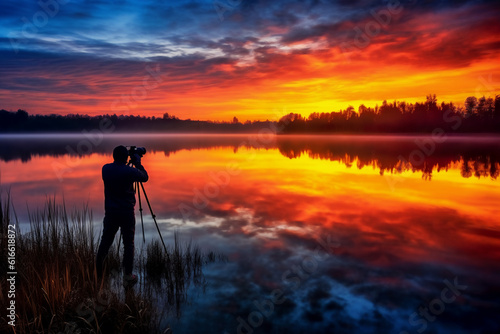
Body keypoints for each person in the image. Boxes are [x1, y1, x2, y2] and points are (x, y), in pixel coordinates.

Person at [96, 145, 148, 288]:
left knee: (105, 242)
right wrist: (137, 162)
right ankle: (127, 276)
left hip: (111, 212)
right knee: (128, 244)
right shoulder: (129, 171)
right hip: (126, 212)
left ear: (114, 156)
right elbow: (145, 177)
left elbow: (120, 170)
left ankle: (98, 274)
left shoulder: (105, 169)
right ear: (126, 158)